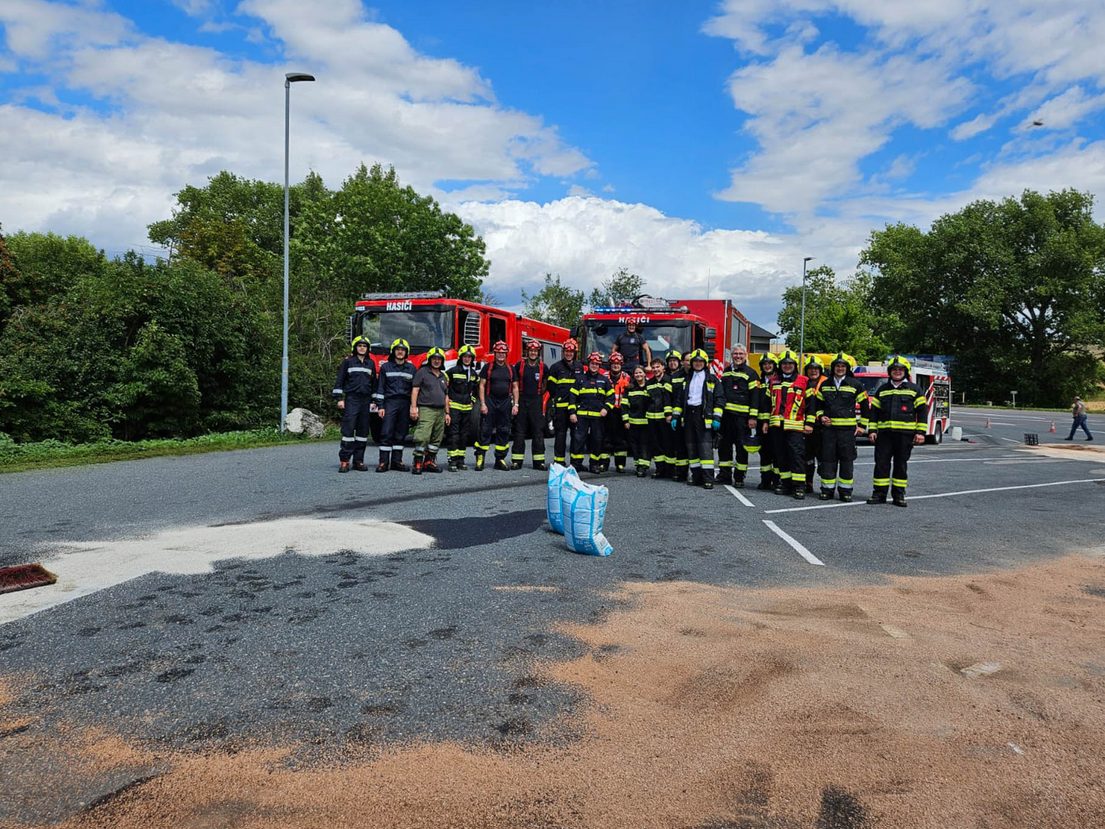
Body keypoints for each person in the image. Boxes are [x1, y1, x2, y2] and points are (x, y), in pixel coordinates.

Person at [867, 355, 927, 507]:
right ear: (890, 371)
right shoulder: (882, 390)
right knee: (881, 464)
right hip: (884, 435)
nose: (897, 372)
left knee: (900, 465)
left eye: (900, 369)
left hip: (905, 435)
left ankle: (899, 495)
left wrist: (920, 433)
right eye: (894, 369)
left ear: (905, 371)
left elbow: (922, 412)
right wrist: (872, 430)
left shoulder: (915, 390)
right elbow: (874, 413)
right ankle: (879, 494)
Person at [813, 352, 868, 501]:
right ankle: (827, 490)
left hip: (847, 432)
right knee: (828, 461)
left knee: (846, 461)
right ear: (833, 368)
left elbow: (865, 405)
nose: (840, 368)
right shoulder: (825, 384)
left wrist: (862, 426)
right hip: (829, 431)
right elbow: (818, 405)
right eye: (837, 366)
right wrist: (821, 416)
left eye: (843, 366)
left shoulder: (855, 384)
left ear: (847, 368)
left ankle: (845, 491)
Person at [765, 350, 812, 499]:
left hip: (795, 426)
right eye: (784, 364)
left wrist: (809, 423)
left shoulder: (804, 381)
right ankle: (785, 484)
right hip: (776, 425)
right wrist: (765, 422)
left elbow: (811, 405)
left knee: (796, 456)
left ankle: (799, 486)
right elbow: (767, 404)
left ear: (795, 365)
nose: (787, 366)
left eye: (790, 363)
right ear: (780, 365)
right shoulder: (773, 381)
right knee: (781, 456)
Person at [673, 349, 722, 489]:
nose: (698, 363)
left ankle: (708, 479)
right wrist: (676, 415)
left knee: (705, 448)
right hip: (689, 415)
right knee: (691, 447)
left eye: (701, 361)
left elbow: (720, 399)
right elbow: (680, 400)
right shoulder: (687, 379)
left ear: (705, 363)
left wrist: (716, 417)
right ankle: (696, 477)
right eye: (695, 361)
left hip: (703, 416)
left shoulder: (712, 379)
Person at [715, 344, 761, 487]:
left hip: (742, 419)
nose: (738, 356)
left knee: (741, 448)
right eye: (735, 354)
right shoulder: (726, 372)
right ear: (732, 355)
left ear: (745, 355)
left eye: (741, 354)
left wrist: (753, 417)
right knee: (724, 447)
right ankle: (724, 475)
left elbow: (755, 397)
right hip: (726, 418)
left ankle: (739, 477)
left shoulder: (752, 373)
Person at [333, 336, 377, 473]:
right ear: (355, 347)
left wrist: (374, 401)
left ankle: (358, 461)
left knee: (362, 433)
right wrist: (339, 398)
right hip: (352, 399)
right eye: (359, 346)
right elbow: (340, 380)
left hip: (366, 401)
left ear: (368, 349)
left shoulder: (370, 363)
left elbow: (374, 384)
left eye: (364, 346)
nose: (362, 348)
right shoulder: (348, 362)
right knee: (348, 431)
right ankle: (345, 461)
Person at [373, 338, 417, 472]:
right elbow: (380, 387)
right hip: (390, 402)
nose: (400, 352)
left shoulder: (411, 368)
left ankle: (397, 462)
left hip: (405, 403)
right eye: (398, 349)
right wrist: (380, 406)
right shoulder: (386, 367)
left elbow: (414, 389)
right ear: (393, 351)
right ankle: (383, 462)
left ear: (406, 352)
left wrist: (413, 406)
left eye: (403, 350)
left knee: (401, 433)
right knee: (386, 432)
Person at [569, 352, 612, 473]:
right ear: (588, 364)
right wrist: (572, 412)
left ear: (599, 366)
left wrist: (606, 408)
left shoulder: (604, 380)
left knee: (597, 440)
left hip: (597, 417)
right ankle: (576, 464)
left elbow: (611, 397)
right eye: (592, 363)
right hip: (581, 416)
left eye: (597, 364)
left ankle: (594, 464)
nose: (594, 366)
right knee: (578, 440)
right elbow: (572, 396)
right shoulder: (580, 379)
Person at [476, 340, 515, 471]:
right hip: (490, 401)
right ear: (495, 353)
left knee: (504, 430)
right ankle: (480, 457)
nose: (501, 355)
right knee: (485, 430)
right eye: (498, 353)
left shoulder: (511, 369)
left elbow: (515, 387)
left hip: (505, 402)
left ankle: (500, 459)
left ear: (506, 354)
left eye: (503, 353)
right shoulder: (488, 368)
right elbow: (481, 385)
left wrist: (516, 404)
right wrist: (482, 404)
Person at [409, 347, 449, 474]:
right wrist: (413, 407)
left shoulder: (443, 376)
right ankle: (418, 461)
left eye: (439, 359)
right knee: (423, 436)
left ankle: (429, 461)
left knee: (437, 437)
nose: (436, 361)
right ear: (430, 359)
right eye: (434, 358)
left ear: (442, 361)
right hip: (426, 408)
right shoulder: (422, 372)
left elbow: (446, 396)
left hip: (440, 411)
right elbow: (415, 390)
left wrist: (447, 413)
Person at [511, 339, 548, 470]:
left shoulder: (543, 367)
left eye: (535, 351)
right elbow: (514, 384)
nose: (533, 353)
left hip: (536, 402)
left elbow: (545, 384)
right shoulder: (519, 365)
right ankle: (517, 461)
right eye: (531, 350)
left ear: (538, 352)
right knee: (519, 432)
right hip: (522, 400)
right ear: (527, 352)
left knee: (538, 432)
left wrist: (540, 396)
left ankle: (539, 462)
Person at [445, 344, 479, 470]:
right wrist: (446, 398)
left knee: (464, 435)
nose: (467, 359)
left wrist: (472, 401)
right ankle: (452, 460)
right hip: (454, 407)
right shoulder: (453, 371)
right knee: (453, 434)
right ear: (460, 358)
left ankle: (461, 460)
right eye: (465, 356)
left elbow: (476, 389)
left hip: (467, 408)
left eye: (469, 357)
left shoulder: (474, 374)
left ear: (472, 358)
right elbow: (443, 384)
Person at [548, 338, 581, 466]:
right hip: (561, 408)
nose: (569, 354)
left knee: (576, 435)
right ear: (563, 352)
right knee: (560, 435)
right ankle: (559, 461)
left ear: (574, 353)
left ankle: (576, 462)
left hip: (575, 408)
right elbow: (551, 388)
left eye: (571, 352)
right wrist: (558, 399)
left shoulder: (579, 367)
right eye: (566, 351)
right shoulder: (555, 367)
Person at [802, 355, 828, 491]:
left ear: (821, 369)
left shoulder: (827, 383)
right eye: (810, 368)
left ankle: (826, 486)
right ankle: (808, 483)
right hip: (806, 426)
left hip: (823, 427)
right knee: (807, 457)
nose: (813, 371)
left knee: (824, 458)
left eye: (816, 368)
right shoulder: (803, 383)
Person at [623, 365, 653, 476]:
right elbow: (624, 405)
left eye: (640, 372)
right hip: (633, 422)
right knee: (634, 445)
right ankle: (638, 465)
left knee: (645, 444)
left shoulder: (650, 386)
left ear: (645, 374)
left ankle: (643, 466)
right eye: (636, 373)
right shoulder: (629, 388)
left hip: (647, 422)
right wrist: (626, 420)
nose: (638, 375)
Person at [603, 352, 631, 472]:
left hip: (621, 411)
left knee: (621, 439)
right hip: (607, 411)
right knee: (606, 437)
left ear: (621, 364)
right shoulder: (604, 376)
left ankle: (620, 464)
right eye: (613, 363)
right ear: (610, 364)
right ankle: (604, 463)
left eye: (618, 363)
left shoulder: (627, 377)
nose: (616, 365)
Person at [755, 354, 779, 490]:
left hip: (775, 422)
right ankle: (765, 480)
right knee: (764, 452)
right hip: (760, 423)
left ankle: (776, 481)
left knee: (777, 452)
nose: (767, 366)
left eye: (770, 363)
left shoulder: (779, 381)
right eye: (765, 364)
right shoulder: (759, 382)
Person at [647, 357, 673, 478]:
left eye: (658, 367)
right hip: (652, 419)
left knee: (668, 444)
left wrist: (669, 414)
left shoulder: (669, 380)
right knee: (656, 445)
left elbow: (671, 399)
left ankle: (670, 470)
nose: (655, 369)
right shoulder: (649, 383)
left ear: (663, 367)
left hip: (665, 419)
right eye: (653, 367)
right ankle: (659, 469)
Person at [665, 349, 689, 481]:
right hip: (676, 415)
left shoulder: (690, 374)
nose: (672, 363)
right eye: (670, 361)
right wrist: (669, 414)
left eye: (675, 361)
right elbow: (667, 398)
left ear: (680, 362)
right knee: (678, 445)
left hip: (690, 415)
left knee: (690, 444)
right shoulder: (673, 378)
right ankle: (680, 472)